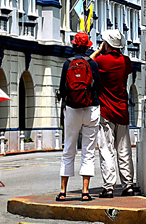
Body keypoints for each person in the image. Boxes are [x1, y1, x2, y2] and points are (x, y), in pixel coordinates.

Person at [56, 30, 101, 202]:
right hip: (91, 109)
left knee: (69, 149)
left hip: (72, 109)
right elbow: (98, 87)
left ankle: (62, 191)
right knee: (88, 151)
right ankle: (85, 191)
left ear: (74, 45)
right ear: (88, 47)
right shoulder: (93, 65)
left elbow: (62, 88)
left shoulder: (67, 64)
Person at [93, 28, 135, 197]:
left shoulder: (101, 61)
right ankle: (128, 185)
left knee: (106, 150)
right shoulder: (126, 61)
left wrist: (98, 51)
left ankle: (109, 186)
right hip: (122, 110)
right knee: (124, 150)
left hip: (105, 111)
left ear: (107, 44)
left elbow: (89, 62)